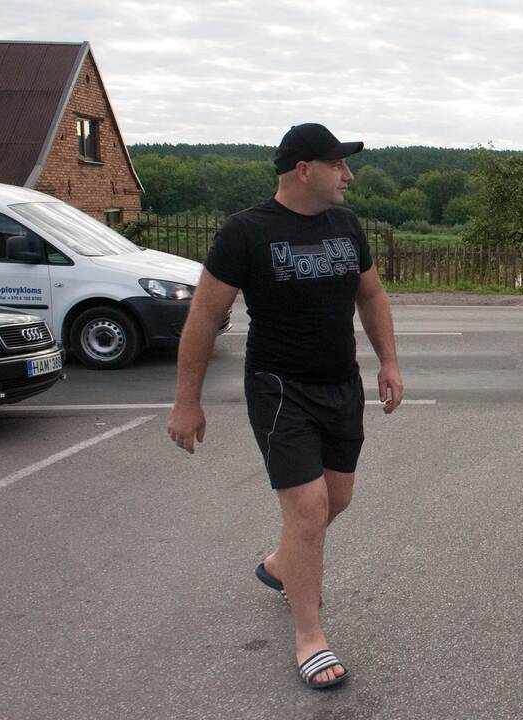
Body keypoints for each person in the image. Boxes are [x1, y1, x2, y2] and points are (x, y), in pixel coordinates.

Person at [167, 123, 403, 689]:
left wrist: (388, 361)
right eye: (338, 165)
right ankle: (309, 637)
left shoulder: (346, 225)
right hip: (279, 388)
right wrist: (186, 402)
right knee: (307, 508)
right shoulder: (246, 232)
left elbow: (370, 294)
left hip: (339, 384)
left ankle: (280, 567)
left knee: (335, 500)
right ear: (304, 170)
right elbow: (204, 316)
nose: (348, 175)